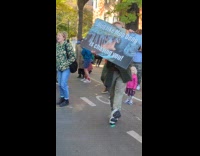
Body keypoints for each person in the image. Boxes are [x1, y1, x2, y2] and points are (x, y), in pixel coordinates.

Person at [56, 31, 76, 107]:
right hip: (59, 68)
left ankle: (66, 100)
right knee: (60, 84)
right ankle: (62, 98)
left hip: (66, 68)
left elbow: (73, 57)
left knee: (63, 84)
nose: (57, 36)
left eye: (59, 35)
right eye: (57, 35)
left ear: (64, 37)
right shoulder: (57, 45)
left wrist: (65, 64)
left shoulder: (67, 45)